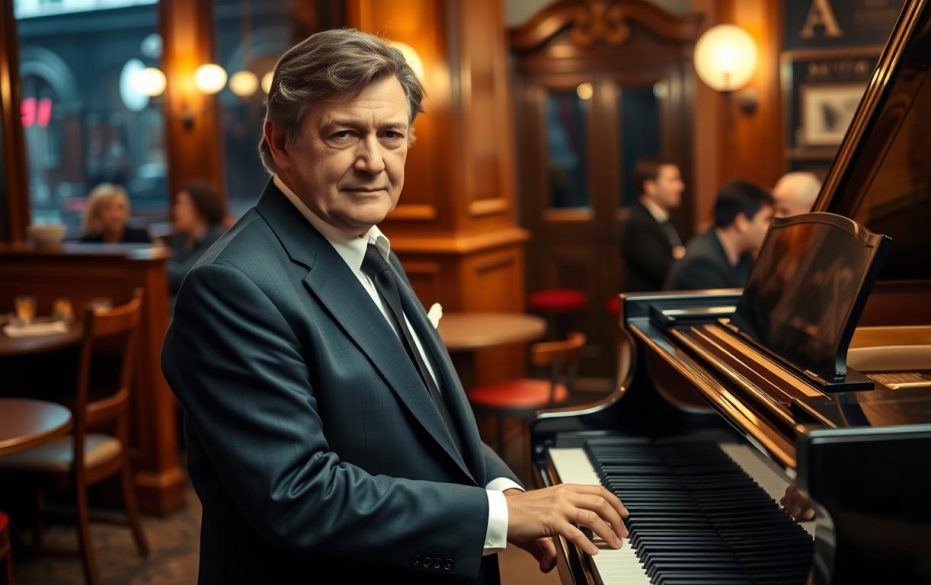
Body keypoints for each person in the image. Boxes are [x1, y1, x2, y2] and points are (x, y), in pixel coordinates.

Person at [161, 29, 628, 585]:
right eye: (343, 134)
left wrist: (506, 489)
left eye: (391, 134)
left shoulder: (367, 243)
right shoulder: (230, 286)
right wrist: (499, 516)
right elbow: (298, 495)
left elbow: (433, 426)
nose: (373, 162)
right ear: (280, 143)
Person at [664, 180, 773, 291]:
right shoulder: (702, 264)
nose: (771, 227)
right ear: (742, 222)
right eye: (767, 219)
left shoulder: (743, 254)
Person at [621, 157, 686, 291]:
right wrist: (682, 259)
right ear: (650, 187)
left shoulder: (664, 217)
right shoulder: (639, 223)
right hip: (648, 304)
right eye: (673, 180)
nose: (680, 186)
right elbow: (661, 270)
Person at [166, 182, 227, 297]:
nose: (175, 210)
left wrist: (157, 262)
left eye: (181, 204)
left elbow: (186, 276)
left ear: (199, 209)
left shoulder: (217, 237)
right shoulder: (182, 239)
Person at [79, 183, 152, 243]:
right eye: (108, 208)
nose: (116, 215)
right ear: (96, 212)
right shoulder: (87, 242)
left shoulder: (141, 237)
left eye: (120, 207)